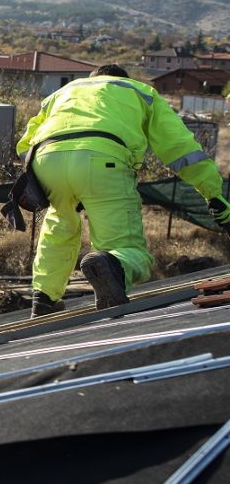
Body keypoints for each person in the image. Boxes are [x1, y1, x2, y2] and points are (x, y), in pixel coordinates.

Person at [17, 63, 230, 317]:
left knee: (59, 225)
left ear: (93, 79)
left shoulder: (63, 93)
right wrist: (213, 193)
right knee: (128, 249)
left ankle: (44, 297)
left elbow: (25, 143)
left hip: (46, 160)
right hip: (103, 159)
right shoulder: (141, 92)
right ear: (121, 79)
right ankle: (114, 265)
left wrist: (41, 180)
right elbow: (182, 150)